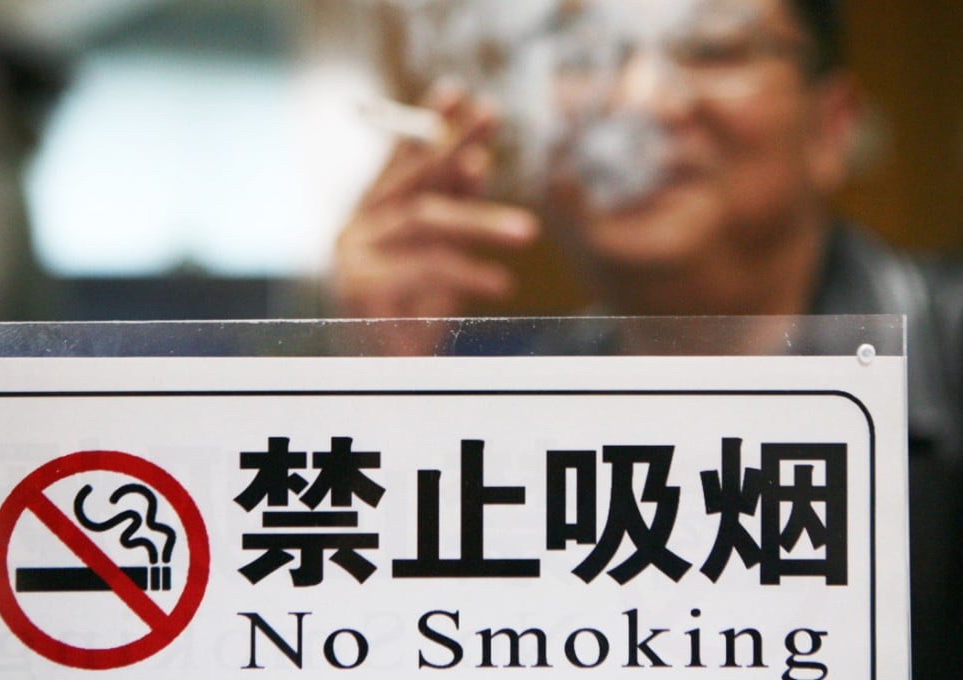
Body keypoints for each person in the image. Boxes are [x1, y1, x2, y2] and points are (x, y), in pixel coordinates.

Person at [329, 0, 962, 676]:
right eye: (583, 58)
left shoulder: (944, 348)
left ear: (830, 127)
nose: (639, 101)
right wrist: (377, 399)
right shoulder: (512, 411)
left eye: (712, 49)